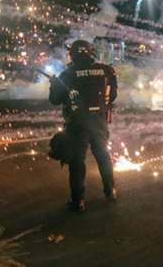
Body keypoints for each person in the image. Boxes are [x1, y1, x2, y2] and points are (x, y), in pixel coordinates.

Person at [48, 40, 118, 212]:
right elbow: (113, 96)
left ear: (72, 54)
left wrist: (55, 85)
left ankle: (78, 200)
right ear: (90, 52)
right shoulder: (106, 71)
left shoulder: (68, 74)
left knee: (77, 159)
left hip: (77, 122)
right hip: (99, 121)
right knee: (102, 154)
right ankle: (110, 191)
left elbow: (55, 100)